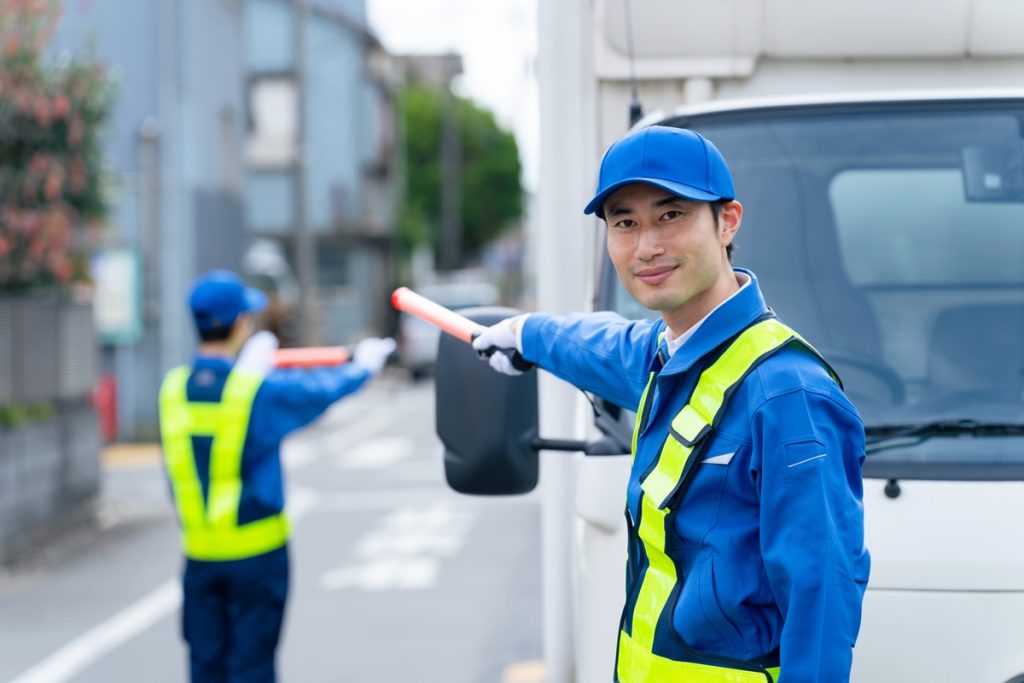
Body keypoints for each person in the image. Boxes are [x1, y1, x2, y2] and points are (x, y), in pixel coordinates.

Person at [472, 126, 870, 683]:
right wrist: (526, 333)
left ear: (727, 221)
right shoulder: (671, 355)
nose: (646, 247)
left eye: (671, 215)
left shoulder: (789, 394)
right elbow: (602, 344)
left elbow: (822, 602)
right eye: (625, 223)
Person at [158, 269, 394, 683]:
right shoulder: (253, 392)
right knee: (252, 670)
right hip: (258, 558)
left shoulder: (172, 390)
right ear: (240, 323)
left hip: (199, 560)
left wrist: (245, 372)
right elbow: (316, 391)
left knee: (206, 669)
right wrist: (363, 368)